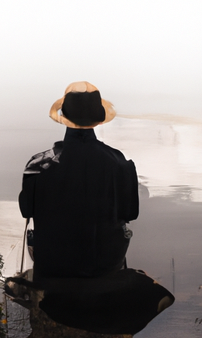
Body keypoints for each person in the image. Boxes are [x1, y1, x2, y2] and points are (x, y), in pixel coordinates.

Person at [18, 81, 139, 280]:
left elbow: (26, 211)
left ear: (64, 117)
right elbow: (131, 213)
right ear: (98, 120)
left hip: (52, 267)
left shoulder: (37, 166)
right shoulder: (120, 164)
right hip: (105, 266)